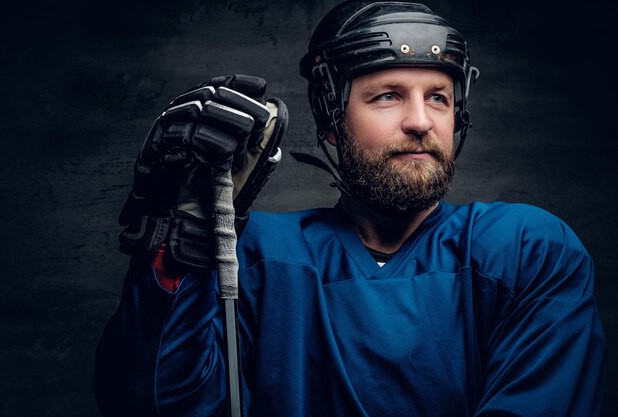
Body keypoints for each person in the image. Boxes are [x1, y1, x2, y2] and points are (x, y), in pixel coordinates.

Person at [93, 1, 606, 416]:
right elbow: (154, 405)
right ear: (331, 120)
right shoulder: (247, 258)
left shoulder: (528, 252)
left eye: (440, 98)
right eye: (387, 96)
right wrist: (177, 249)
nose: (420, 121)